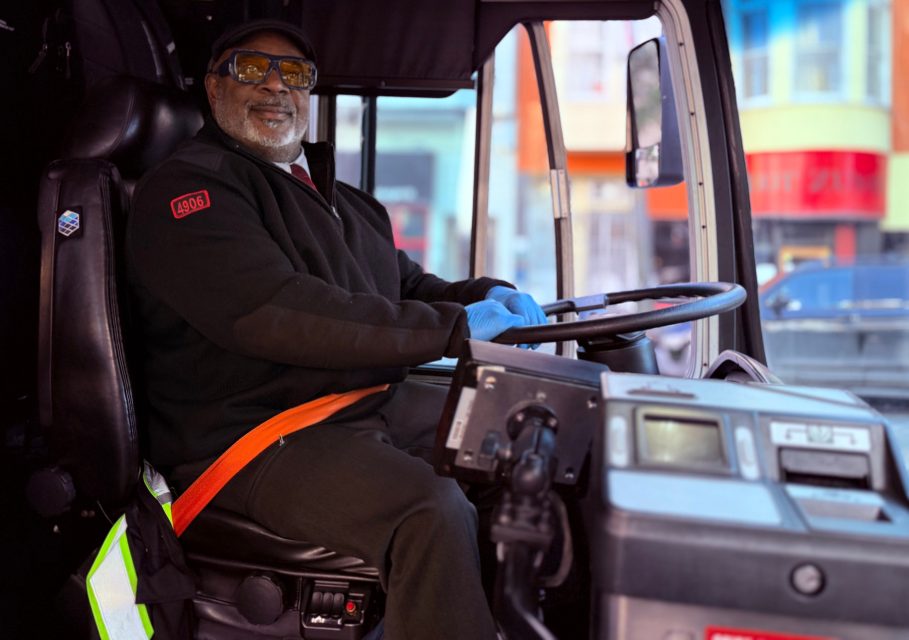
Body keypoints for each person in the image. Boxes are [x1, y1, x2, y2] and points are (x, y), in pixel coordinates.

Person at [126, 18, 548, 640]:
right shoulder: (189, 193)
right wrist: (458, 329)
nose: (275, 87)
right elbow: (271, 309)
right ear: (213, 90)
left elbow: (403, 288)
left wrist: (491, 296)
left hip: (356, 405)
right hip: (255, 436)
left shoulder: (346, 203)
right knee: (425, 510)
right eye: (251, 70)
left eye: (293, 75)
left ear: (311, 95)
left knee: (518, 433)